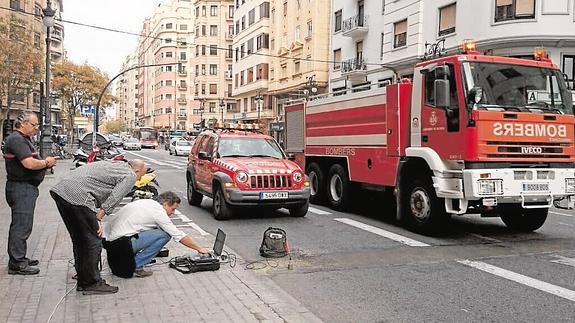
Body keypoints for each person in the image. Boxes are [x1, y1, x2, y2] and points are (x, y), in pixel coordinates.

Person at [49, 159, 147, 295]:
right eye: (141, 176)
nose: (139, 179)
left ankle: (83, 276)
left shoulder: (114, 164)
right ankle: (91, 282)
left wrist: (95, 217)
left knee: (80, 239)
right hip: (78, 197)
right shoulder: (129, 174)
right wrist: (99, 217)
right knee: (93, 241)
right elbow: (115, 197)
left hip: (62, 192)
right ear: (136, 170)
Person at [104, 191, 210, 277]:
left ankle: (133, 259)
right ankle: (137, 265)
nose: (173, 213)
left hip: (110, 242)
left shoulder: (148, 203)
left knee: (155, 229)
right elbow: (179, 236)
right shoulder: (159, 213)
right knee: (165, 235)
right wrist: (199, 248)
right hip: (121, 244)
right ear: (164, 204)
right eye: (173, 209)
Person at [4, 112, 57, 275]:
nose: (36, 128)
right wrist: (46, 162)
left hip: (26, 188)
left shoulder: (23, 139)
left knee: (24, 224)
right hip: (21, 188)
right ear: (23, 123)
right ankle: (17, 262)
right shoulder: (16, 139)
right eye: (34, 125)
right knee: (21, 225)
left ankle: (20, 257)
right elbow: (29, 163)